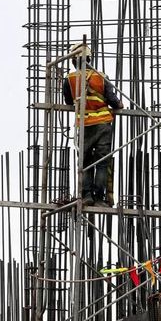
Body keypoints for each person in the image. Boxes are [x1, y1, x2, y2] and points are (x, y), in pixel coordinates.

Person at [63, 42, 123, 207]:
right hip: (103, 124)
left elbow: (68, 101)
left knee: (85, 162)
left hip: (84, 125)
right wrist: (119, 104)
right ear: (90, 58)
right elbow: (113, 101)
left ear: (73, 61)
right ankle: (99, 198)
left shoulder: (70, 79)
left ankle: (87, 195)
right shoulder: (101, 76)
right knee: (102, 162)